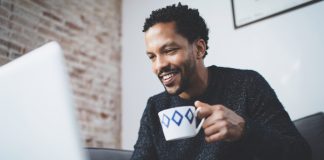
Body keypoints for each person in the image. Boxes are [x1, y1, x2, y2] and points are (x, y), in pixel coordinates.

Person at [131, 3, 311, 160]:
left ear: (199, 49)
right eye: (152, 57)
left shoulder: (247, 85)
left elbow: (300, 154)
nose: (159, 66)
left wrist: (245, 131)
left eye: (169, 50)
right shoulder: (155, 107)